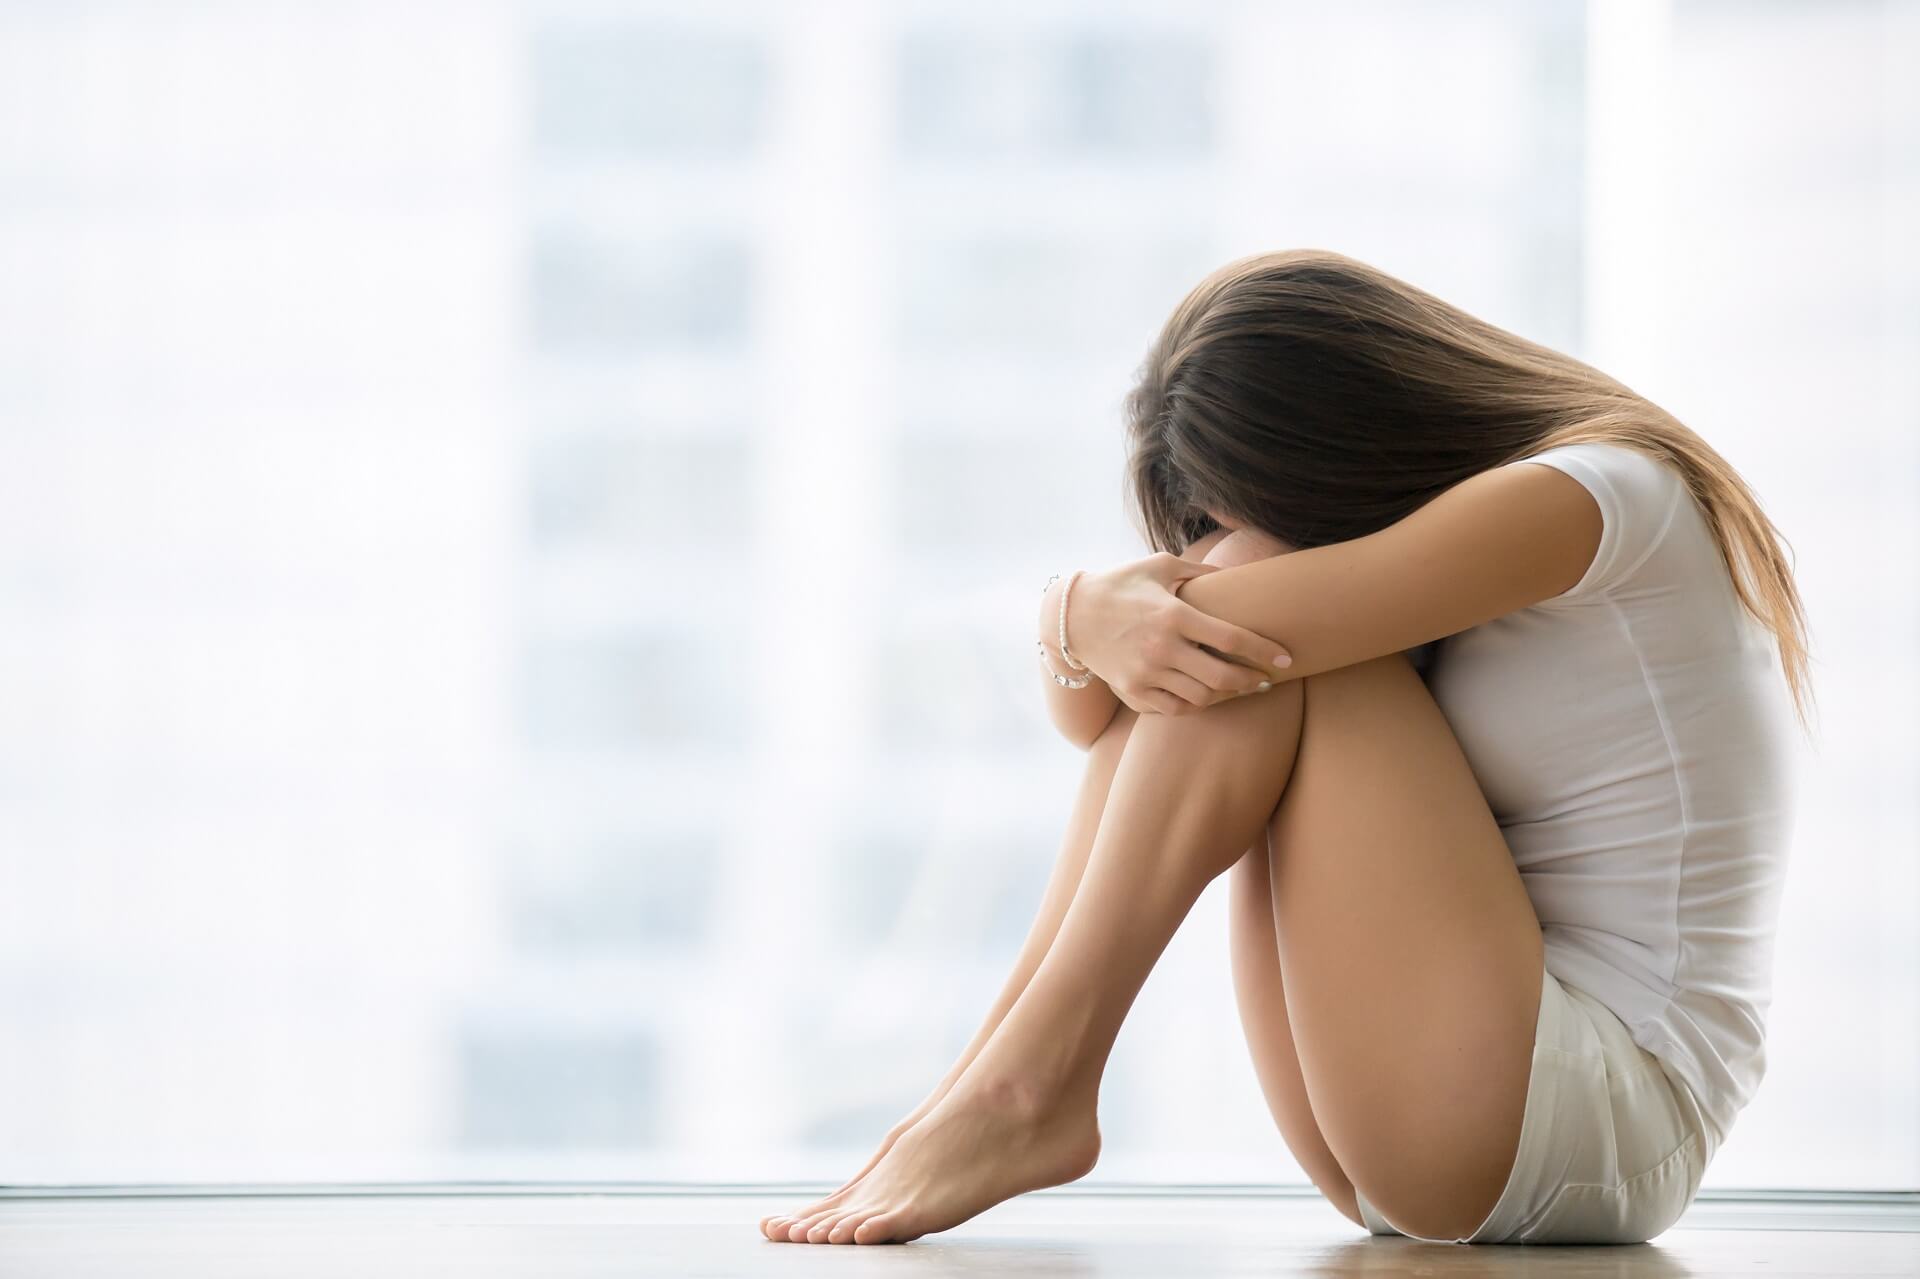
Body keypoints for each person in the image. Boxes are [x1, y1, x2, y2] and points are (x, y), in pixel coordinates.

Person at [759, 249, 1809, 1247]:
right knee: (1224, 637)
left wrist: (1075, 610)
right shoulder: (1468, 536)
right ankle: (1001, 1078)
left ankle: (1025, 1083)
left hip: (1604, 1112)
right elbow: (1101, 718)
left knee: (1241, 638)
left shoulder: (1592, 493)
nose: (1230, 546)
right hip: (1447, 1108)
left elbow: (1156, 663)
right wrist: (1077, 620)